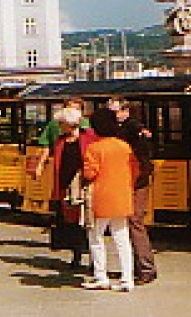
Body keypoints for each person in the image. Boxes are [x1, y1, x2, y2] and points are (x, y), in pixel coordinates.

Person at [81, 107, 139, 292]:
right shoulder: (124, 147)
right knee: (122, 238)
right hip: (122, 196)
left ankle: (101, 276)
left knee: (96, 237)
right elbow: (135, 171)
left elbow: (90, 173)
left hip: (100, 198)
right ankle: (127, 278)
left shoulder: (94, 148)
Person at [107, 97, 157, 285]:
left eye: (115, 111)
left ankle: (146, 268)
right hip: (132, 178)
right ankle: (140, 267)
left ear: (125, 111)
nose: (113, 116)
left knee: (134, 221)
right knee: (131, 221)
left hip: (136, 180)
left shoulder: (131, 128)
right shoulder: (124, 129)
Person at [48, 107, 94, 270]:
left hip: (85, 185)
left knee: (88, 223)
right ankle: (76, 255)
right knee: (72, 223)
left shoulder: (88, 137)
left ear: (70, 123)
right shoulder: (60, 141)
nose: (59, 126)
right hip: (66, 187)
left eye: (61, 123)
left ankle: (94, 259)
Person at [31, 97, 88, 181]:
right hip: (61, 166)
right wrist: (40, 165)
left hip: (82, 169)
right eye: (70, 109)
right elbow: (46, 145)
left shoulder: (86, 124)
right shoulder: (54, 124)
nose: (72, 113)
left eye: (76, 110)